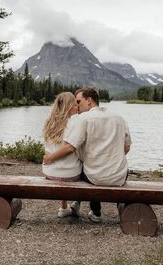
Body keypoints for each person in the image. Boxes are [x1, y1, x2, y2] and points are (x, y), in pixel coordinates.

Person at [43, 87, 131, 223]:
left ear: (89, 101)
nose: (77, 106)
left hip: (94, 176)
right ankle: (86, 208)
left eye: (78, 101)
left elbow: (71, 146)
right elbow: (126, 147)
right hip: (120, 176)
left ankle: (92, 211)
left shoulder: (82, 119)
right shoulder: (119, 118)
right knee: (93, 166)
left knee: (84, 167)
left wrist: (50, 158)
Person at [42, 92, 82, 218]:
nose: (78, 107)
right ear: (69, 106)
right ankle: (77, 203)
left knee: (66, 163)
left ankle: (64, 207)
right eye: (75, 104)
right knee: (83, 163)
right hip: (70, 174)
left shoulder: (50, 123)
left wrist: (49, 158)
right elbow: (70, 148)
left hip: (49, 172)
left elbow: (47, 149)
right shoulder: (76, 121)